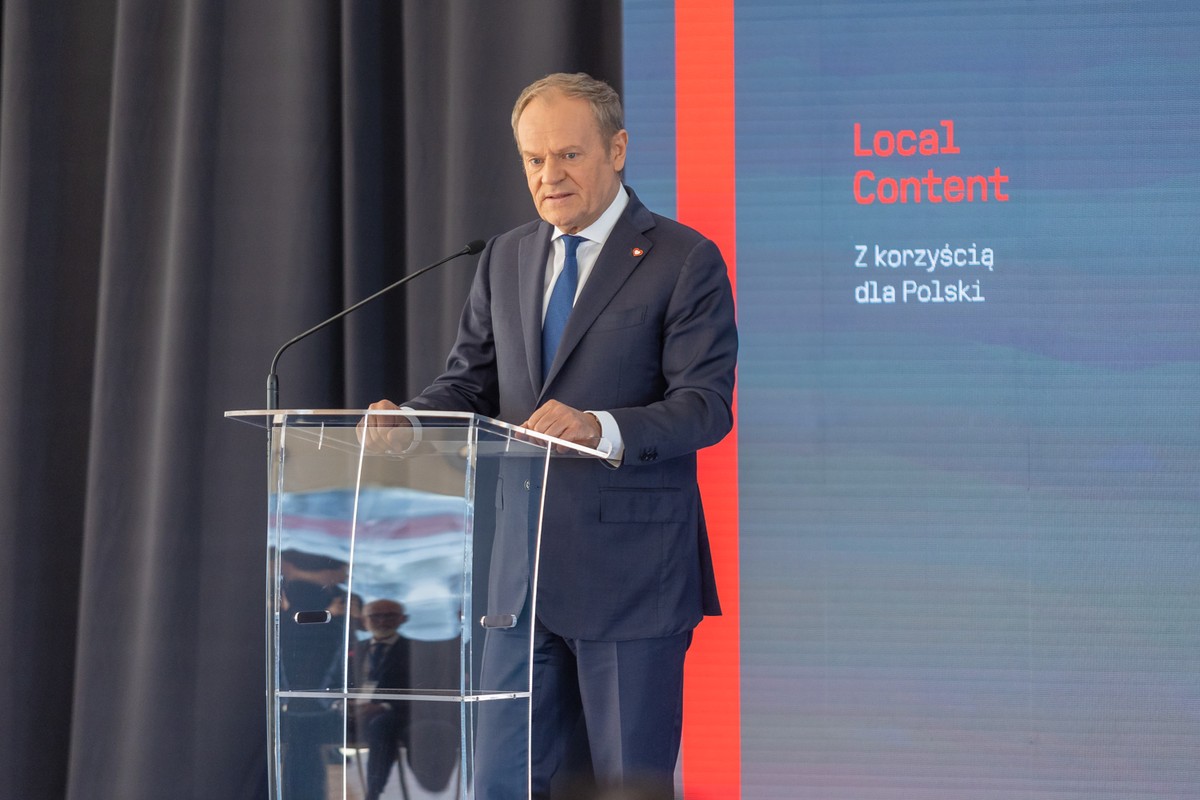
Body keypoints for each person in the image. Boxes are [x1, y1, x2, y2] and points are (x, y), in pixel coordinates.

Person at [360, 72, 737, 798]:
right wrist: (411, 418)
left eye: (568, 155)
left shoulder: (683, 259)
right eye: (534, 159)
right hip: (519, 582)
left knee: (624, 785)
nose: (548, 176)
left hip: (631, 579)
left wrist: (599, 427)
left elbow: (704, 407)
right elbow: (469, 383)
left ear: (617, 149)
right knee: (509, 783)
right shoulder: (505, 256)